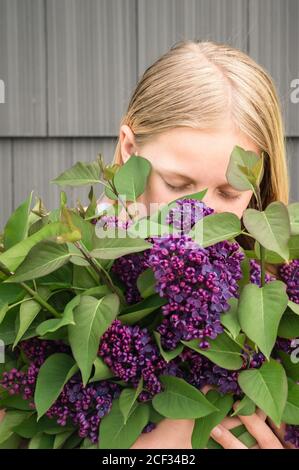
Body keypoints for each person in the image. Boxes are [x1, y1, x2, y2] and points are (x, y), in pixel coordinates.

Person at [100, 39, 294, 449]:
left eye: (227, 194)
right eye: (177, 185)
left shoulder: (281, 304)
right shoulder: (76, 279)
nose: (200, 218)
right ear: (130, 149)